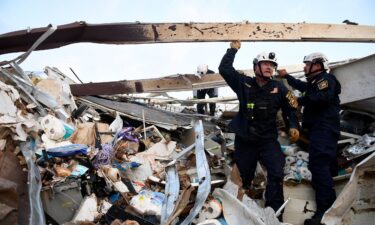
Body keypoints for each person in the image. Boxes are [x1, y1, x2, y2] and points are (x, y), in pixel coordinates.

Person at [218, 40, 299, 216]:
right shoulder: (243, 83)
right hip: (246, 139)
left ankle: (274, 213)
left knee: (277, 172)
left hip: (267, 140)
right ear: (256, 67)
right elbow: (224, 69)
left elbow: (291, 110)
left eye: (272, 65)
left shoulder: (280, 88)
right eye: (265, 64)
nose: (270, 68)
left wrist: (293, 126)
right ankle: (240, 210)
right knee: (244, 177)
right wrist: (232, 50)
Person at [278, 52, 341, 225]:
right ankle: (333, 206)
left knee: (318, 165)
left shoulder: (326, 79)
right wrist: (286, 77)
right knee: (326, 166)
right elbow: (302, 86)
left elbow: (322, 97)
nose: (304, 67)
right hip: (320, 129)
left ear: (318, 64)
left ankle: (325, 212)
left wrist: (299, 101)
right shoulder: (315, 83)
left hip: (324, 128)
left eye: (307, 64)